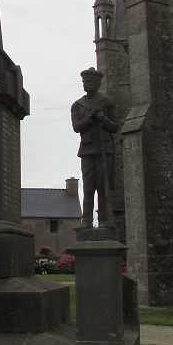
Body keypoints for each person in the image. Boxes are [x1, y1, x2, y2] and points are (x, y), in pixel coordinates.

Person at [71, 68, 118, 228]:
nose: (85, 84)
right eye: (84, 81)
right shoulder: (77, 105)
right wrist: (91, 117)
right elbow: (77, 127)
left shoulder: (107, 102)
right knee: (88, 186)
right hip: (87, 149)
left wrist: (102, 118)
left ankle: (104, 220)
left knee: (103, 185)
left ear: (98, 83)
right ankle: (87, 220)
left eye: (89, 81)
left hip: (105, 148)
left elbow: (115, 126)